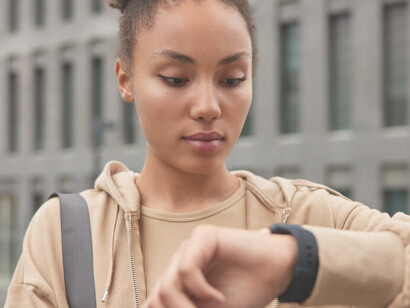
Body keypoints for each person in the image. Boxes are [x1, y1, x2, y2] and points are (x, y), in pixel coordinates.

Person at [5, 0, 410, 307]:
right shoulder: (67, 233)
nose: (208, 106)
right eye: (176, 79)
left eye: (232, 79)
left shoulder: (308, 216)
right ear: (125, 80)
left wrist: (296, 259)